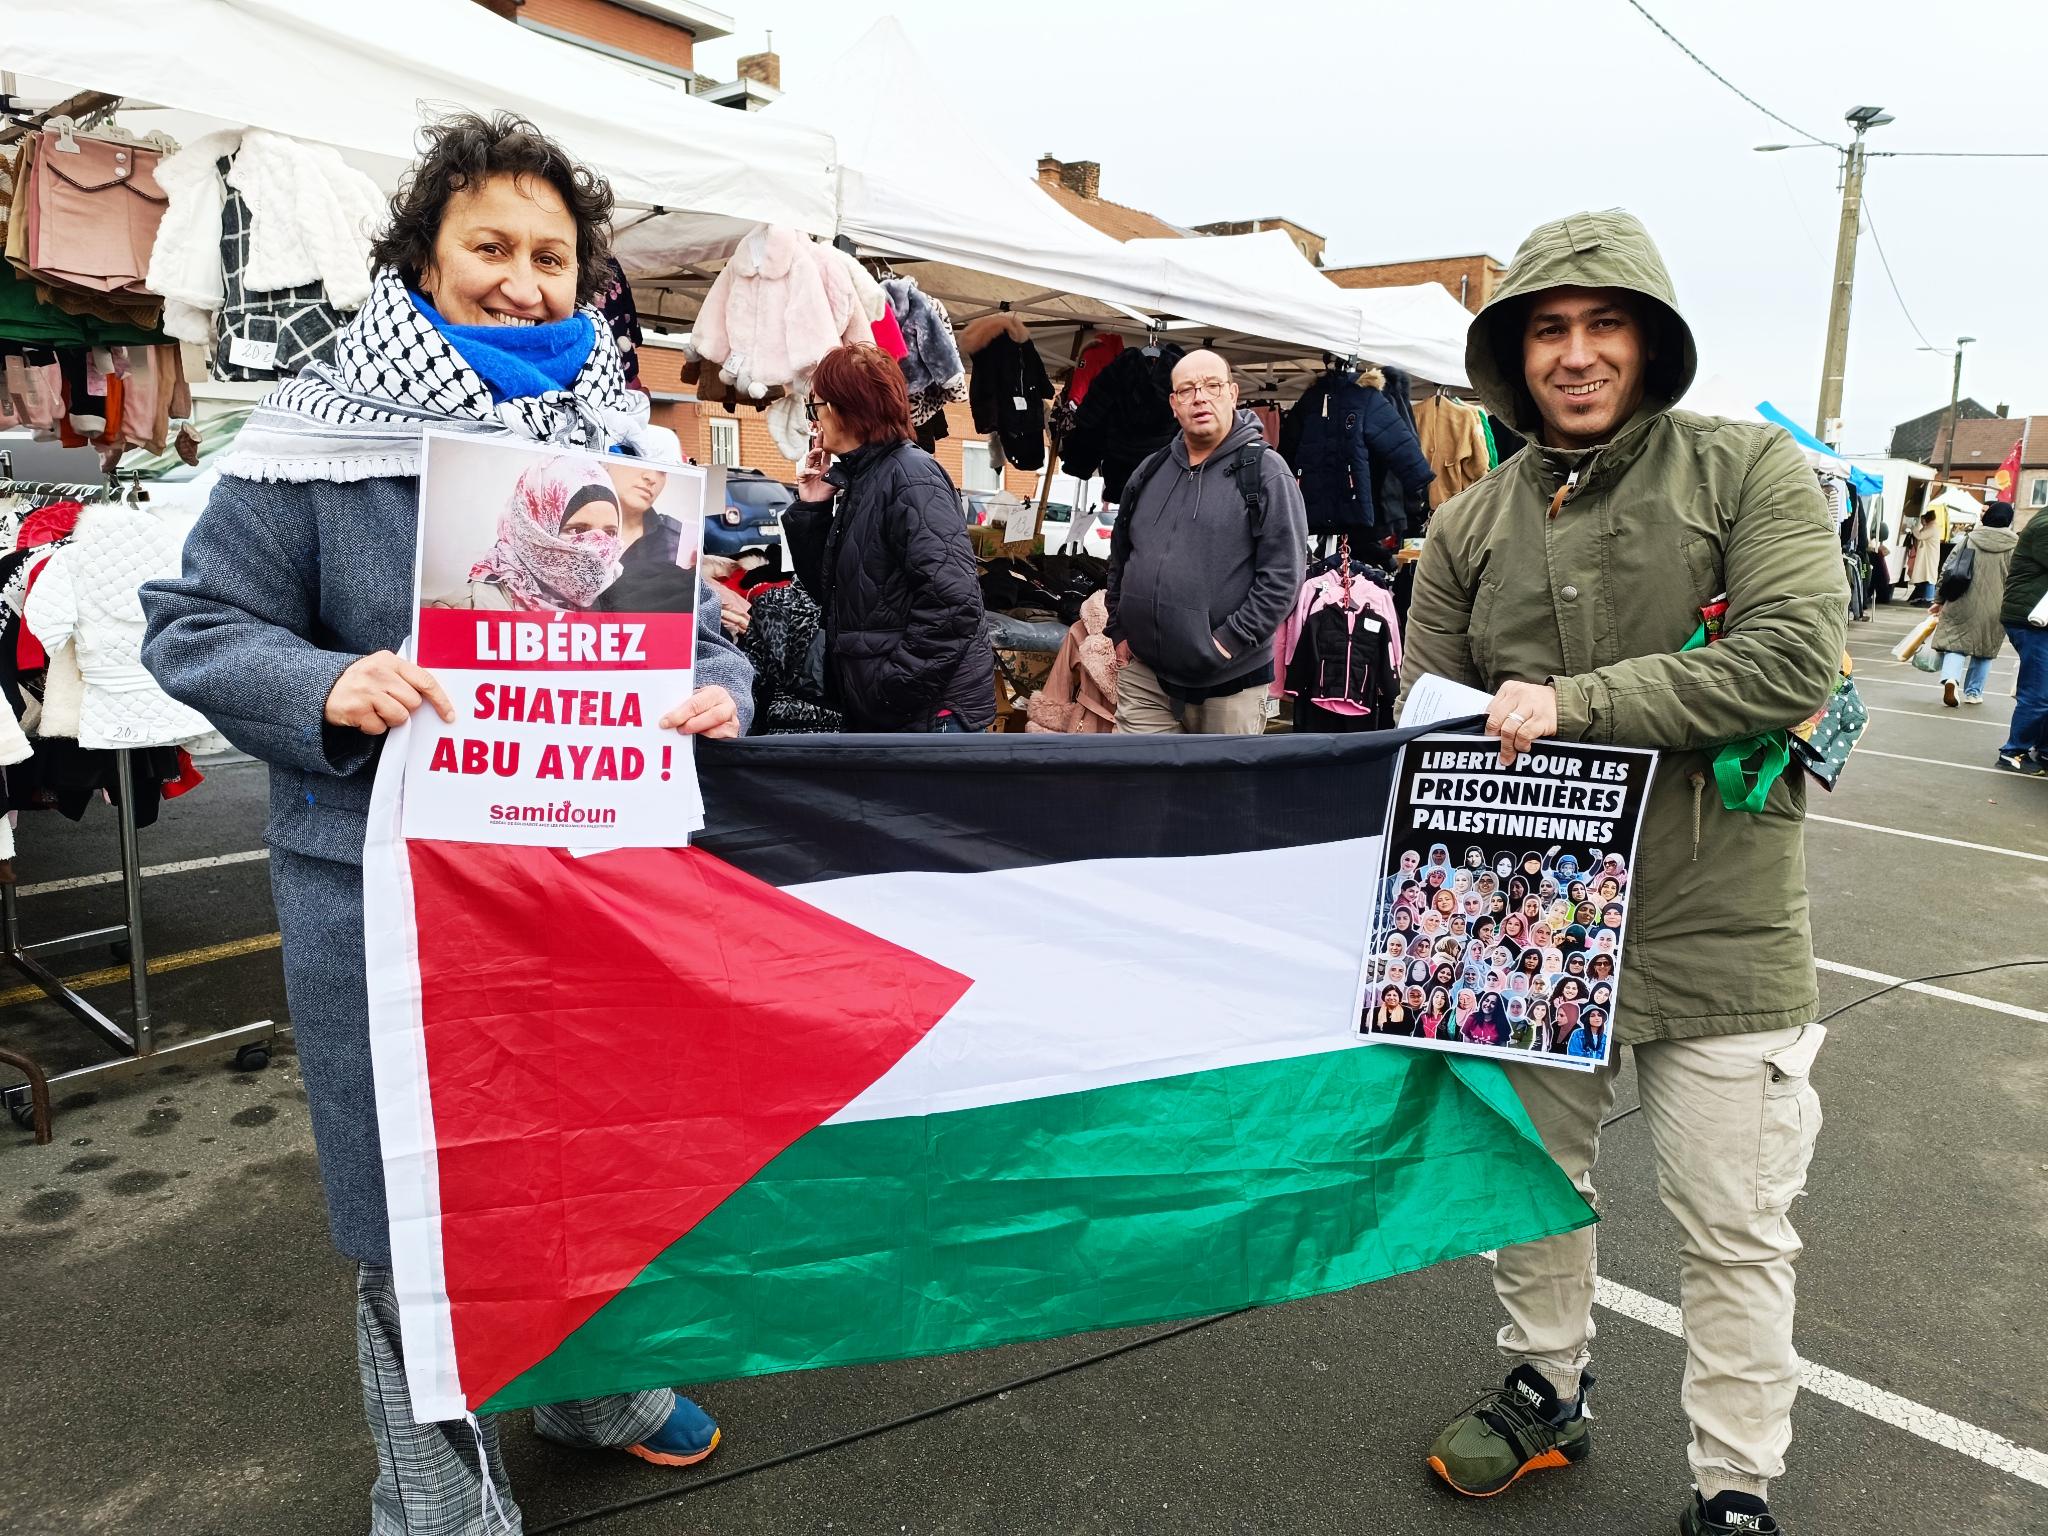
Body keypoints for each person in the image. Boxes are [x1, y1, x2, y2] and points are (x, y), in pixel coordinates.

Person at [140, 112, 753, 1531]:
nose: (523, 280)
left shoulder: (619, 440)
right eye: (490, 246)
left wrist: (717, 690)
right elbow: (191, 625)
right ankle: (428, 1479)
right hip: (381, 892)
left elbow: (698, 641)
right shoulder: (313, 438)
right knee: (410, 1195)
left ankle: (589, 1386)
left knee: (579, 1154)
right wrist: (327, 681)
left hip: (579, 881)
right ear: (419, 260)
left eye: (551, 255)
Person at [1399, 209, 1842, 1536]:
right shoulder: (1472, 521)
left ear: (1648, 338)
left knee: (1736, 1227)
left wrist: (1574, 700)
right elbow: (1428, 714)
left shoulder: (1747, 469)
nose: (1577, 356)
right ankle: (1544, 1390)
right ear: (1512, 353)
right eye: (1549, 330)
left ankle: (1734, 1482)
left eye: (1603, 326)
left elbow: (1791, 662)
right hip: (1526, 924)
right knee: (1532, 1185)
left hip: (1721, 924)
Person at [783, 344, 994, 732]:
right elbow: (834, 596)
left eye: (815, 408)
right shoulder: (866, 476)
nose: (813, 422)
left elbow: (954, 607)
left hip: (927, 714)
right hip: (895, 709)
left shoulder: (910, 475)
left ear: (842, 407)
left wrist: (891, 689)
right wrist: (811, 509)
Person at [1105, 350, 1308, 733]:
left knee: (1217, 793)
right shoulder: (1150, 470)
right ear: (1173, 404)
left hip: (1229, 681)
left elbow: (1283, 577)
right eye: (1187, 390)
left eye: (1212, 386)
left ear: (1232, 394)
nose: (1200, 398)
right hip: (1146, 676)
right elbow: (1121, 553)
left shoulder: (1266, 473)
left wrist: (1227, 642)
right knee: (1137, 787)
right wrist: (1118, 627)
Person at [430, 457, 623, 610]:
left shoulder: (613, 612)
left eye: (610, 533)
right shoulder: (461, 610)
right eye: (577, 531)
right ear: (532, 530)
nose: (598, 550)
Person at [1929, 502, 2018, 708]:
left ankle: (1951, 679)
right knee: (1985, 649)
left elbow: (1949, 568)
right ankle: (1973, 693)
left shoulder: (1970, 538)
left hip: (1961, 598)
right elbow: (2018, 577)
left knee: (1955, 643)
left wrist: (1939, 599)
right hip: (1996, 606)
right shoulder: (2015, 545)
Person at [1996, 500, 2048, 775]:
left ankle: (2044, 750)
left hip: (2037, 619)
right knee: (2038, 692)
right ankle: (2013, 751)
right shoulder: (2045, 526)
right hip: (2031, 620)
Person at [606, 459, 691, 570]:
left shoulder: (681, 543)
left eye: (662, 470)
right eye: (638, 460)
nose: (652, 478)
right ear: (606, 463)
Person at [1903, 508, 1942, 605]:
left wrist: (1913, 527)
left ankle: (1928, 598)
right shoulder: (1932, 527)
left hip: (1929, 557)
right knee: (1927, 575)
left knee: (1929, 576)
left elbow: (1920, 536)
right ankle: (1924, 597)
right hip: (1928, 556)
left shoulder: (1932, 528)